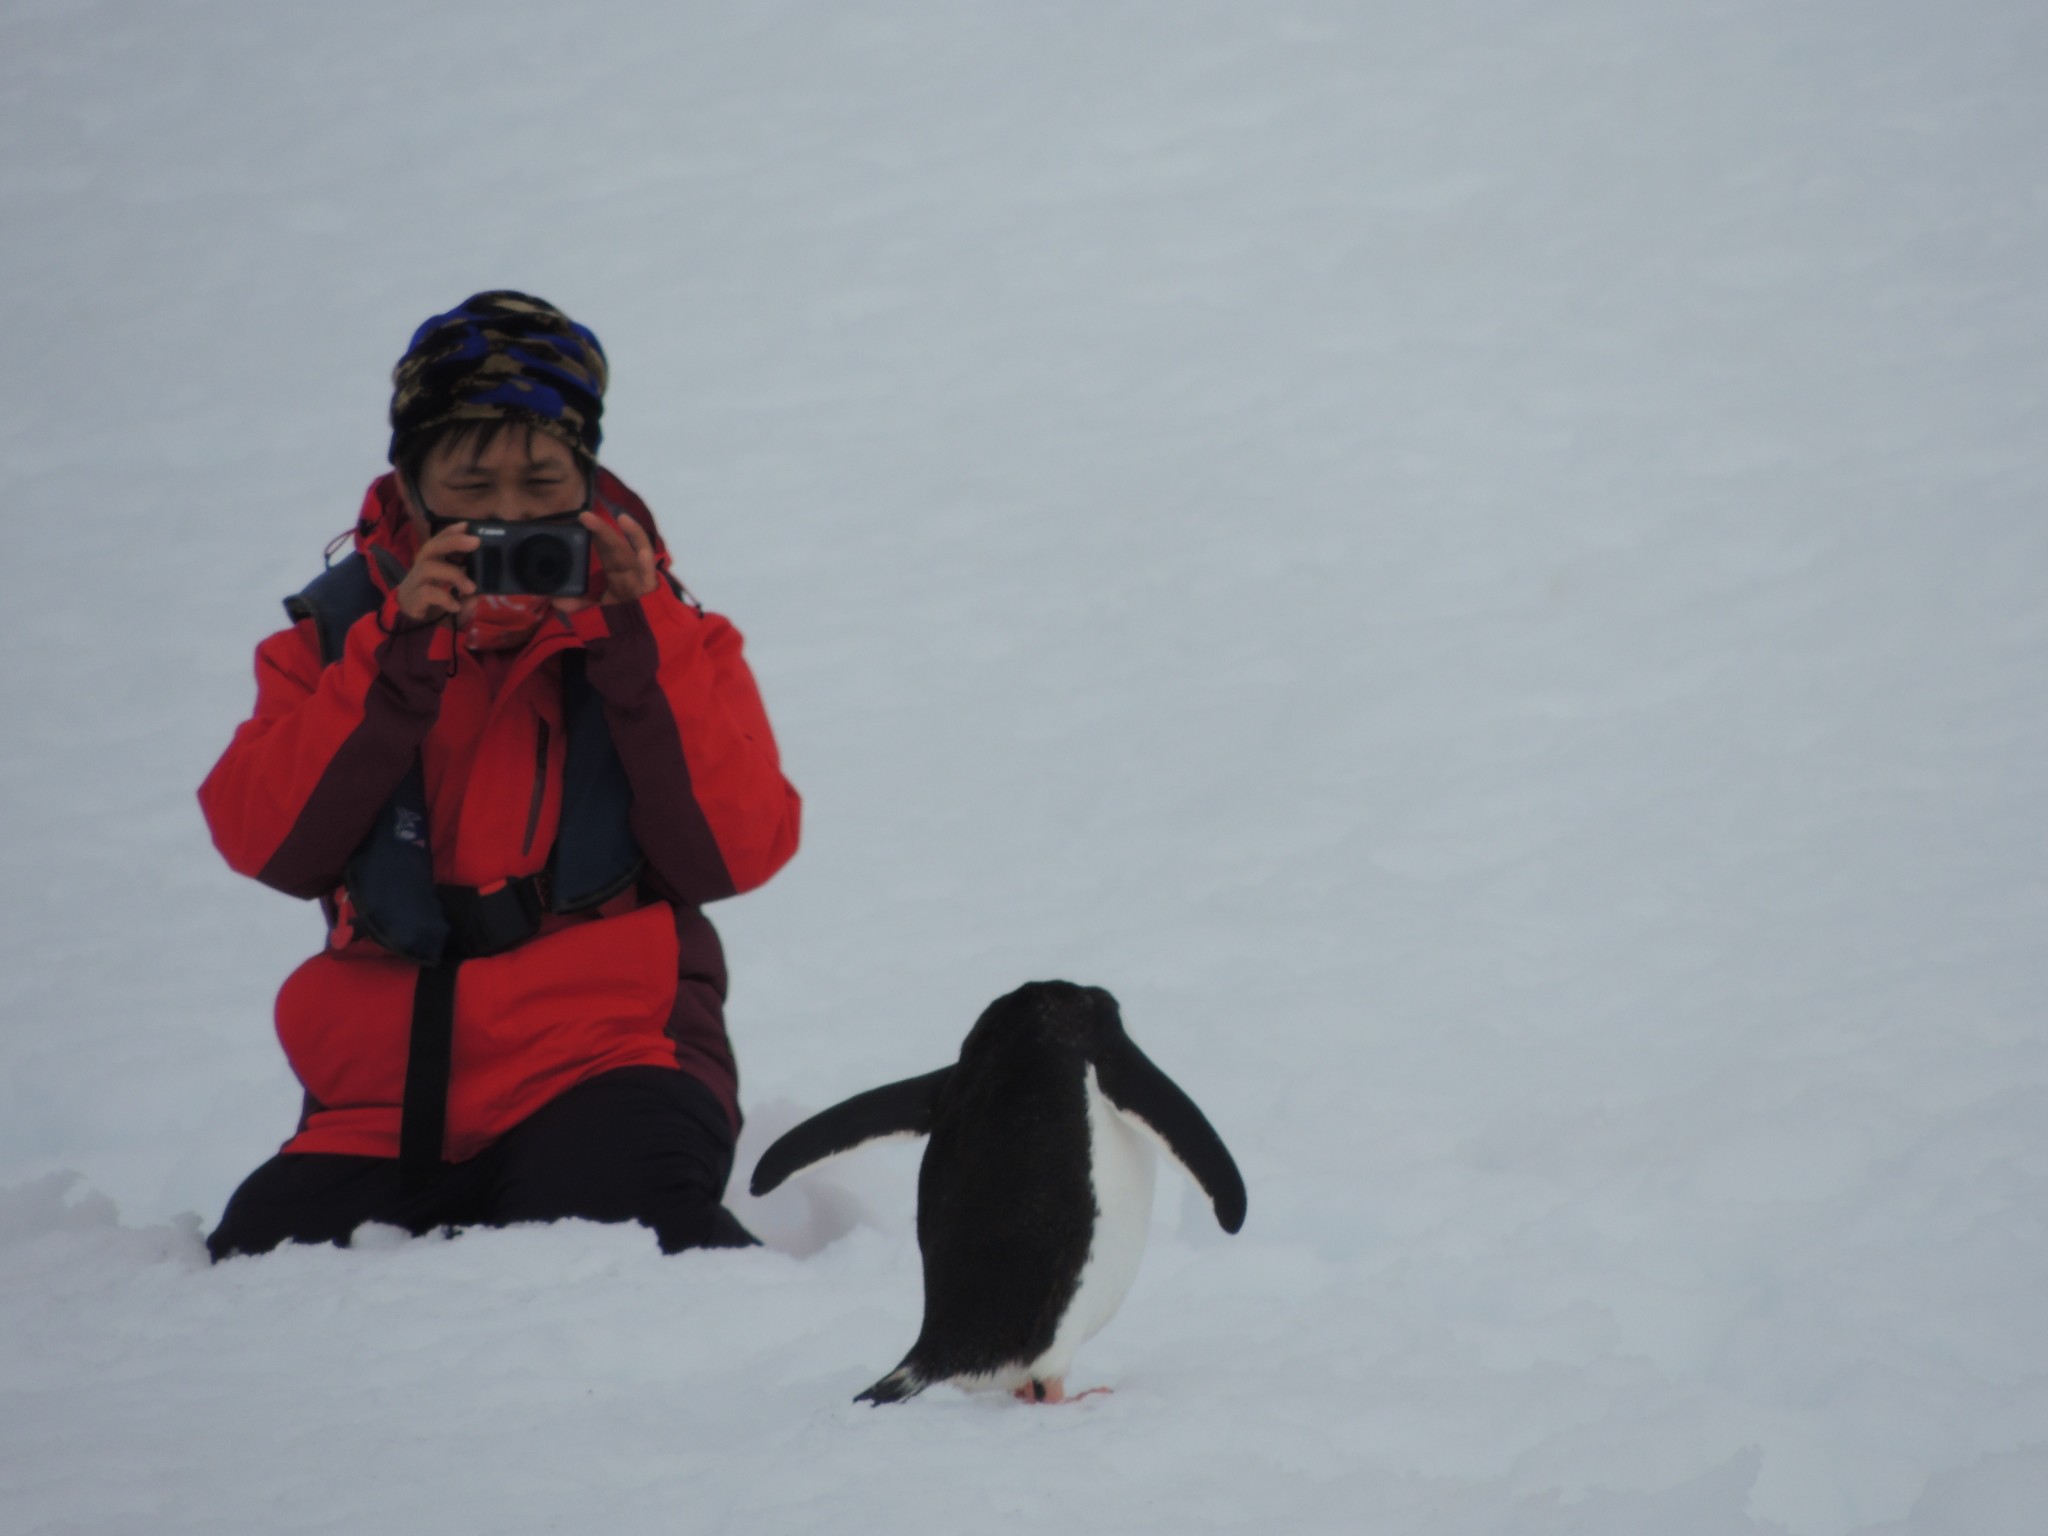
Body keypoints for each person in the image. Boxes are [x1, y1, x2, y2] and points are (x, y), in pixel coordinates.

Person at [200, 292, 801, 1259]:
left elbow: (735, 854)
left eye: (541, 482)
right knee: (254, 1282)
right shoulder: (331, 639)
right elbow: (265, 843)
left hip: (613, 1063)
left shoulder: (670, 632)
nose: (509, 517)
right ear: (412, 480)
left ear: (588, 477)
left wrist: (638, 641)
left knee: (639, 1259)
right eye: (472, 487)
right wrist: (393, 662)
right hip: (381, 1103)